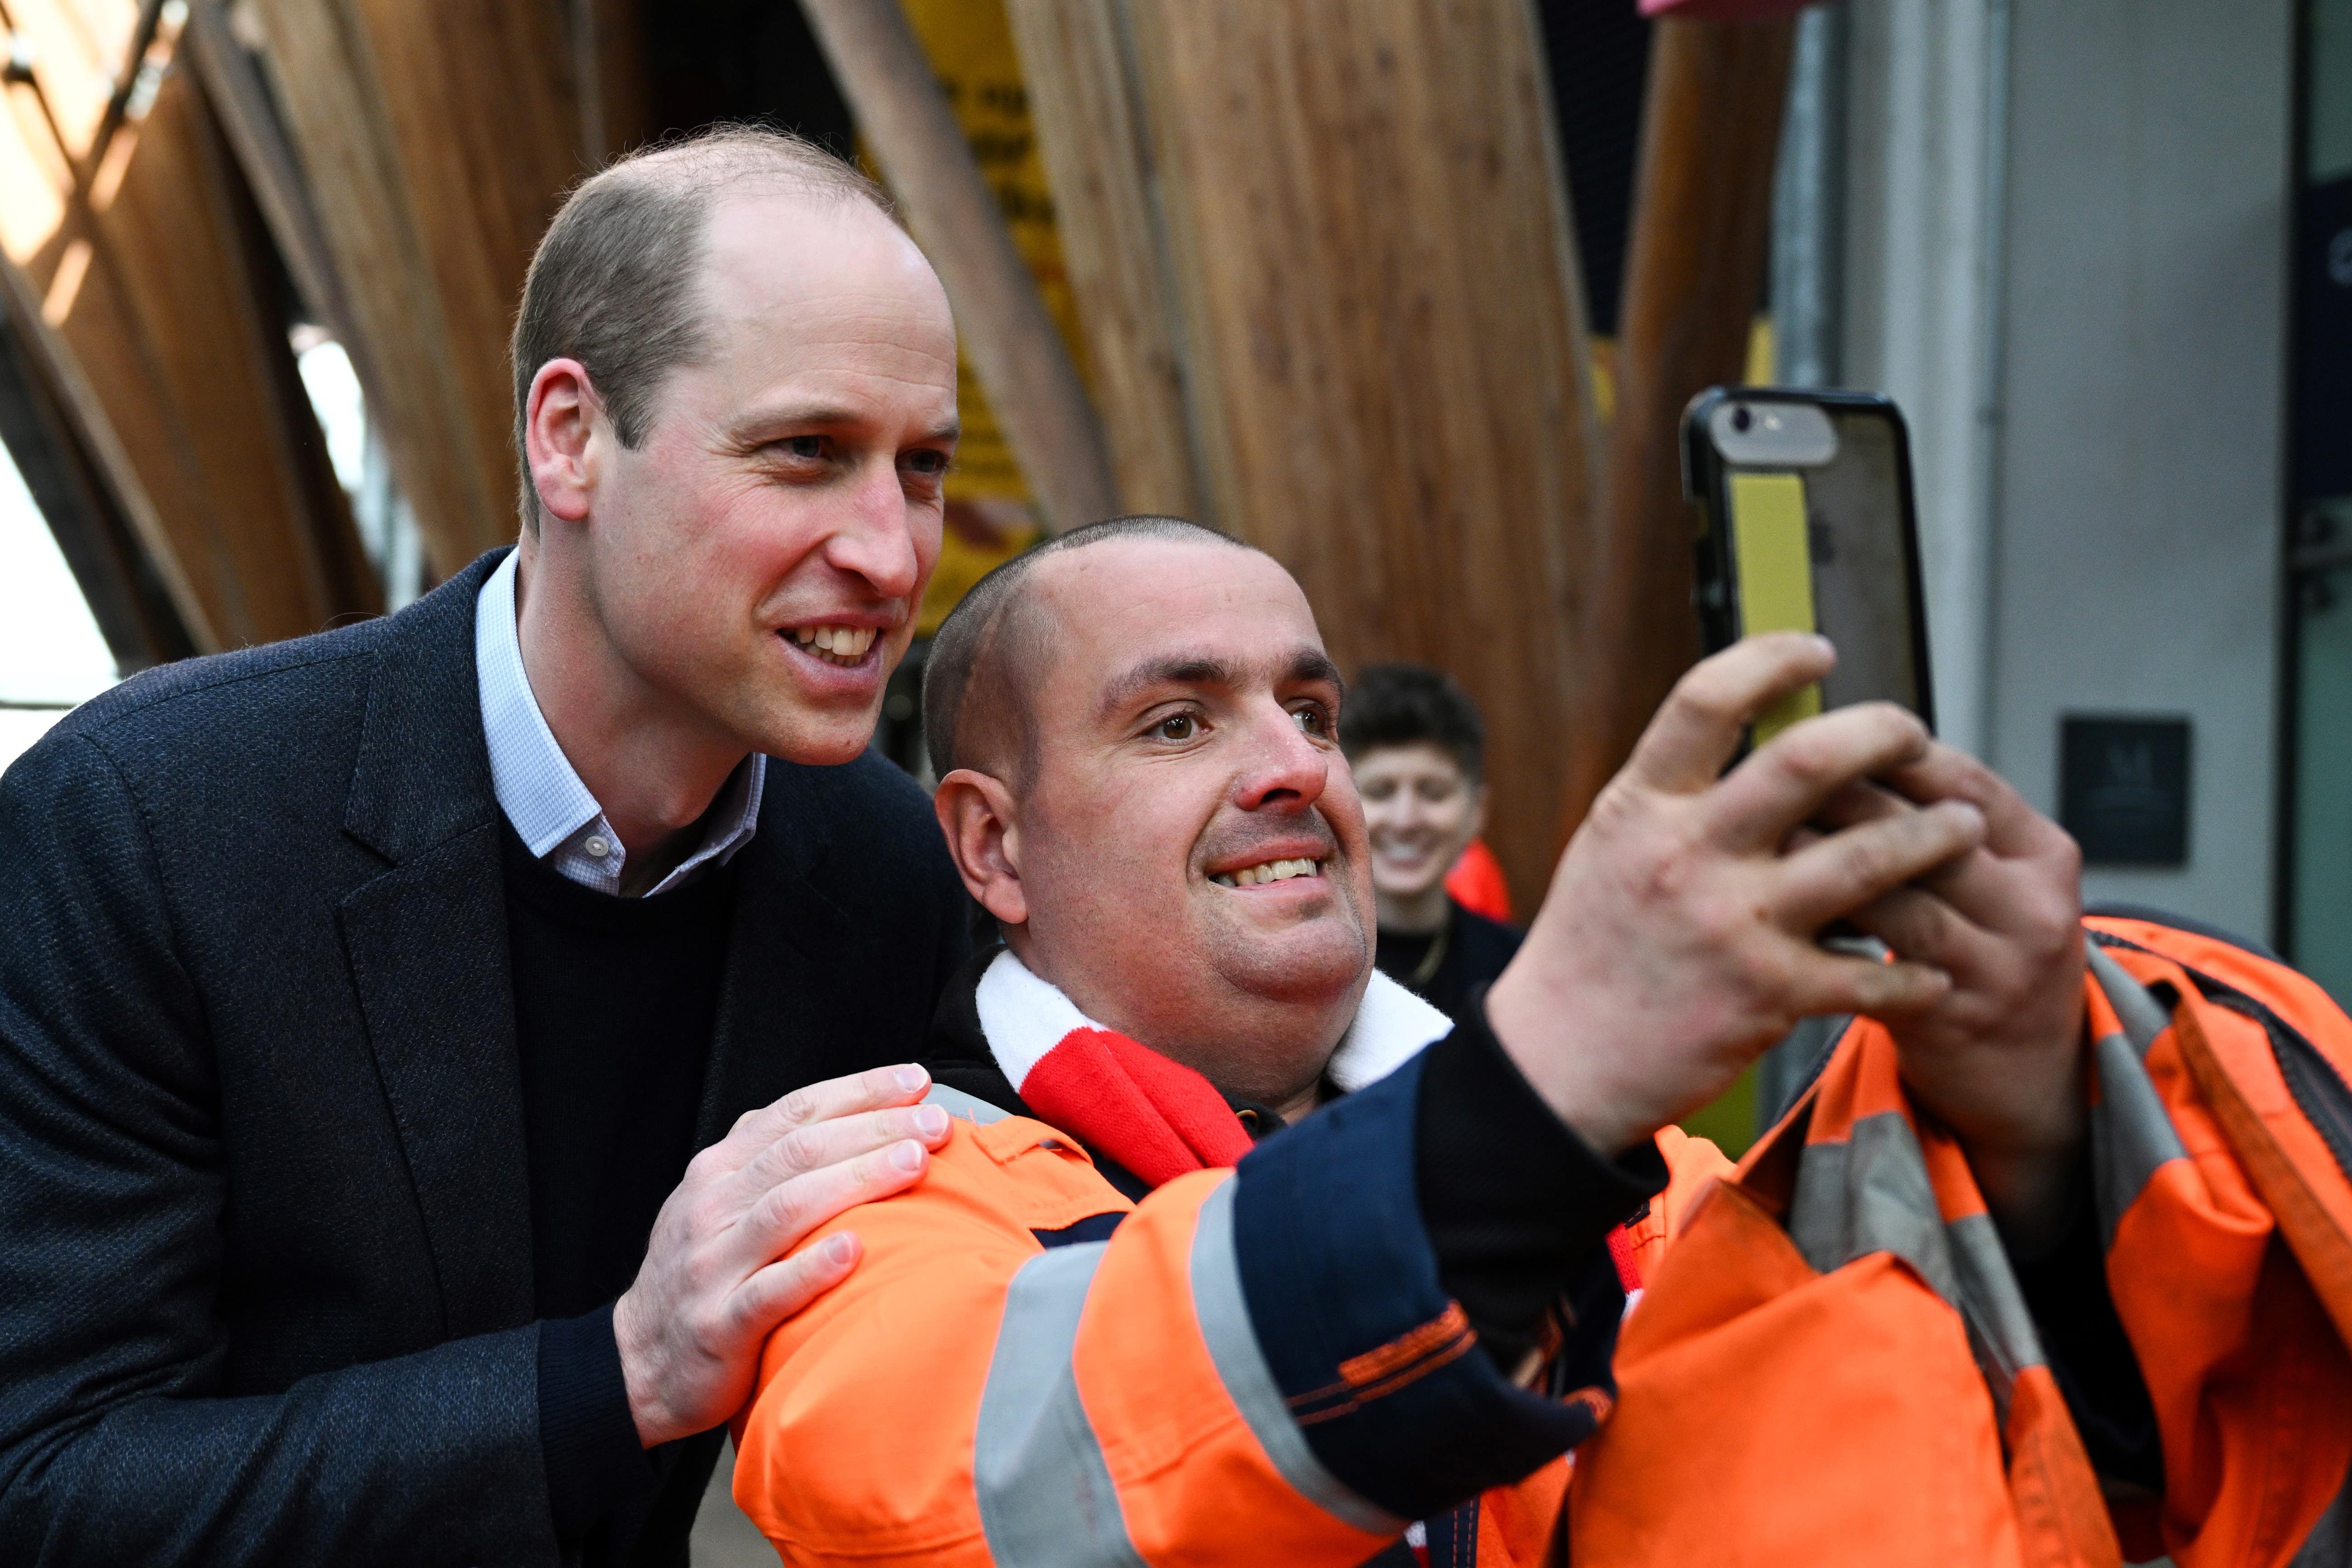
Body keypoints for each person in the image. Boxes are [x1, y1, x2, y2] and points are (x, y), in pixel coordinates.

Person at [726, 514, 2129, 1564]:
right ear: (992, 843)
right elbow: (1018, 1479)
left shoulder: (1641, 1178)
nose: (1296, 767)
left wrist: (2037, 1146)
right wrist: (1527, 1100)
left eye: (1311, 709)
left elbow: (1992, 1464)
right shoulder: (871, 1199)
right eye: (1176, 721)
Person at [0, 128, 982, 1565]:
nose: (894, 556)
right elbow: (48, 1483)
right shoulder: (148, 822)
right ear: (570, 436)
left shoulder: (887, 867)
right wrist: (619, 1374)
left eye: (923, 468)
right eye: (806, 453)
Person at [1341, 662, 1521, 1023]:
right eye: (1379, 792)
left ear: (1477, 811)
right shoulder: (1303, 965)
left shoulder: (1519, 969)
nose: (1405, 820)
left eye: (1434, 792)